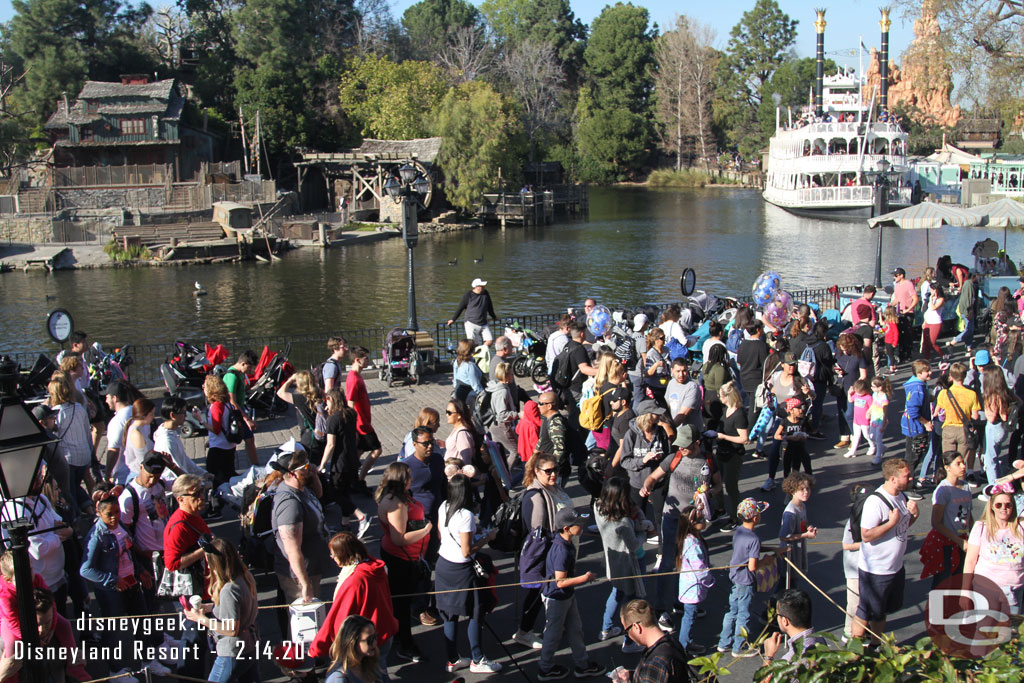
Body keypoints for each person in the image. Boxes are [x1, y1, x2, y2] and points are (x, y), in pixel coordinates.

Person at [80, 482, 164, 676]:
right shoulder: (96, 536)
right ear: (99, 513)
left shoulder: (122, 527)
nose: (114, 517)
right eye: (109, 514)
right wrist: (112, 580)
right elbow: (85, 570)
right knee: (113, 632)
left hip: (132, 585)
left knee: (142, 623)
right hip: (112, 592)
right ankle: (115, 672)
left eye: (117, 512)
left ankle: (148, 661)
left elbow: (128, 551)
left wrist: (140, 570)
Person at [639, 424, 722, 619]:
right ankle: (660, 607)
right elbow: (652, 477)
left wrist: (709, 492)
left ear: (697, 443)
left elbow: (719, 485)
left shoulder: (709, 460)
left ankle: (683, 601)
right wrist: (647, 487)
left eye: (685, 446)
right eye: (680, 446)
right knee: (667, 561)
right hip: (671, 516)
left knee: (690, 562)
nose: (682, 449)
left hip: (693, 522)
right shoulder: (673, 458)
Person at [435, 473, 501, 674]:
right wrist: (487, 538)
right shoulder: (465, 515)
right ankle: (477, 658)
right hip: (462, 569)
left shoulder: (443, 506)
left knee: (449, 613)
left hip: (443, 564)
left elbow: (440, 534)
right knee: (475, 612)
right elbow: (467, 550)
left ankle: (453, 658)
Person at [851, 458, 920, 643]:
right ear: (893, 479)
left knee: (881, 612)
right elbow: (866, 535)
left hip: (894, 566)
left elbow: (902, 527)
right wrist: (891, 523)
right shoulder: (876, 502)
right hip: (876, 570)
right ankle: (854, 648)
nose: (911, 478)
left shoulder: (901, 497)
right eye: (907, 476)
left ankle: (875, 644)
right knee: (865, 610)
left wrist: (914, 515)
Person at [536, 507, 605, 681]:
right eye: (577, 524)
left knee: (575, 629)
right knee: (553, 633)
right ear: (566, 528)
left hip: (566, 595)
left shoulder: (564, 542)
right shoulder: (562, 550)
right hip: (557, 597)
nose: (582, 525)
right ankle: (545, 668)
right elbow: (560, 581)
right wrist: (584, 578)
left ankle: (582, 664)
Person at [374, 462, 432, 662]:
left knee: (400, 601)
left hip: (402, 555)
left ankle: (400, 635)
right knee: (401, 603)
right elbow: (399, 539)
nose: (412, 479)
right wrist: (425, 530)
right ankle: (405, 644)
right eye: (408, 476)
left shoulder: (394, 497)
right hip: (401, 558)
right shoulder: (397, 504)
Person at [309, 532, 398, 662]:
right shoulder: (373, 567)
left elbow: (341, 616)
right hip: (383, 630)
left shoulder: (354, 580)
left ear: (342, 554)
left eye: (333, 554)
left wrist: (317, 647)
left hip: (363, 640)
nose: (332, 558)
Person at [515, 452, 571, 649]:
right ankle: (524, 631)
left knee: (549, 592)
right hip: (544, 553)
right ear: (536, 471)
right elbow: (537, 531)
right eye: (548, 471)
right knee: (537, 594)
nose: (553, 474)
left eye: (555, 469)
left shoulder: (552, 489)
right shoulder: (537, 496)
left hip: (555, 550)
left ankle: (556, 624)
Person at [184, 537, 260, 683]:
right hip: (249, 646)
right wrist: (211, 607)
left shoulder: (229, 590)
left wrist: (201, 619)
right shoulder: (245, 576)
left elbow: (232, 630)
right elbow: (239, 608)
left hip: (232, 652)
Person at [593, 476, 652, 654]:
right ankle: (630, 640)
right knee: (632, 601)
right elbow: (634, 544)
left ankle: (606, 627)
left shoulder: (598, 508)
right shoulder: (624, 522)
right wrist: (644, 531)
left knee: (616, 592)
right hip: (631, 561)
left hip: (613, 561)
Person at [163, 474, 212, 677]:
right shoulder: (179, 526)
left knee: (200, 639)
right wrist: (204, 551)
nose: (201, 498)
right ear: (180, 499)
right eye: (196, 494)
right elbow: (171, 563)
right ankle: (190, 677)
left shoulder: (194, 515)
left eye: (202, 492)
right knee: (193, 638)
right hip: (191, 592)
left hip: (203, 588)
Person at [270, 450, 329, 605]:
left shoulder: (302, 488)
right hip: (298, 576)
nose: (309, 469)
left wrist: (314, 475)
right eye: (305, 467)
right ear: (292, 474)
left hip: (311, 568)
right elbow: (292, 549)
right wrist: (305, 584)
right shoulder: (290, 504)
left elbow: (319, 494)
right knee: (306, 622)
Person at [717, 498, 772, 657]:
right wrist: (766, 560)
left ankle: (723, 642)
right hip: (745, 580)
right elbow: (753, 566)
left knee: (731, 611)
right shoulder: (754, 539)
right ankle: (738, 647)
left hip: (734, 576)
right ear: (755, 518)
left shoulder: (740, 531)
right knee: (743, 614)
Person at [963, 487, 1024, 613]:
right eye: (999, 504)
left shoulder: (1021, 527)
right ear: (992, 506)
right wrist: (965, 592)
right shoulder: (981, 527)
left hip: (1014, 592)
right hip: (986, 590)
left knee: (1010, 632)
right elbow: (970, 561)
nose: (1003, 508)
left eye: (1008, 504)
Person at [321, 389, 370, 537]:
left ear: (331, 399)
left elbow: (331, 445)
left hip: (340, 463)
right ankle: (345, 523)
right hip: (352, 460)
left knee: (335, 493)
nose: (325, 406)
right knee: (345, 492)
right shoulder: (350, 413)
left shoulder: (332, 419)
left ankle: (361, 516)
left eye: (326, 402)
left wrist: (322, 464)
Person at [920, 451, 972, 588]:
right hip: (946, 543)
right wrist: (959, 541)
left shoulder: (965, 486)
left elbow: (968, 513)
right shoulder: (943, 490)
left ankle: (954, 607)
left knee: (960, 580)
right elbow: (936, 523)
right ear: (947, 467)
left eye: (963, 463)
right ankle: (936, 609)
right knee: (942, 581)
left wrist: (971, 536)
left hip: (963, 540)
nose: (963, 467)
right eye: (958, 464)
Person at [616, 599, 693, 683]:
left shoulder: (654, 666)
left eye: (626, 631)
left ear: (636, 627)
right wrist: (633, 676)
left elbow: (653, 676)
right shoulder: (672, 642)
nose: (628, 635)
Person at [48, 376, 91, 518]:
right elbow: (87, 432)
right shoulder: (79, 408)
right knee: (76, 486)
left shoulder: (56, 413)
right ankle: (88, 508)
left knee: (69, 490)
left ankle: (76, 518)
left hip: (69, 457)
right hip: (84, 454)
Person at [674, 505, 711, 655]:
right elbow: (700, 570)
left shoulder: (687, 538)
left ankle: (686, 642)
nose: (704, 520)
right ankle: (684, 645)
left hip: (688, 586)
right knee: (689, 617)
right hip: (692, 589)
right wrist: (710, 580)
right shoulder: (693, 544)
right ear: (691, 524)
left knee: (690, 615)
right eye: (700, 519)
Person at [346, 347, 383, 487]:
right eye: (366, 358)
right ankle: (360, 478)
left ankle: (351, 476)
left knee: (359, 450)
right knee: (377, 449)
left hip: (363, 421)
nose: (368, 361)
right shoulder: (354, 378)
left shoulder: (357, 375)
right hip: (361, 424)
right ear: (357, 360)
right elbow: (350, 404)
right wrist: (353, 427)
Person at [935, 362, 981, 475]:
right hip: (963, 430)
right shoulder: (971, 394)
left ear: (950, 375)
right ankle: (960, 483)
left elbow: (936, 412)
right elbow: (975, 416)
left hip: (948, 428)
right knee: (961, 461)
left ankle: (949, 483)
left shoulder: (944, 393)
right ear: (964, 376)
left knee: (948, 460)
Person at [714, 381, 748, 531]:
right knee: (717, 481)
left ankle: (735, 517)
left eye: (721, 395)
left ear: (728, 396)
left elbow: (743, 438)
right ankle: (721, 508)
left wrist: (724, 436)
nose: (719, 397)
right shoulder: (726, 410)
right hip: (722, 452)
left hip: (733, 455)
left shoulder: (739, 414)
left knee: (731, 486)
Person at [154, 396, 212, 480]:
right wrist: (199, 484)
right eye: (183, 412)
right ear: (172, 415)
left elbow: (185, 460)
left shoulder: (172, 433)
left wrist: (204, 474)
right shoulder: (166, 441)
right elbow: (177, 469)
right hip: (175, 486)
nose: (185, 416)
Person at [761, 589, 822, 665]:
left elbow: (763, 677)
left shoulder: (789, 661)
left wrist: (768, 656)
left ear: (785, 621)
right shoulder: (819, 639)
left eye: (777, 615)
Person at [778, 473, 818, 588]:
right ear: (792, 491)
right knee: (787, 584)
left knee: (791, 582)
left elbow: (801, 526)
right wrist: (805, 535)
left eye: (808, 488)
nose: (806, 492)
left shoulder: (802, 506)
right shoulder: (791, 513)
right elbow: (783, 536)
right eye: (802, 489)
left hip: (797, 550)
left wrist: (807, 529)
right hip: (789, 553)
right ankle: (775, 604)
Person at [276, 370, 326, 460]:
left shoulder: (300, 398)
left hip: (309, 439)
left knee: (311, 465)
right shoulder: (319, 394)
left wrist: (290, 379)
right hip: (320, 435)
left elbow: (280, 393)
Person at [222, 350, 260, 467]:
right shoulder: (232, 376)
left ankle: (254, 464)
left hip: (238, 410)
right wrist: (246, 419)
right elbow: (232, 401)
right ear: (243, 363)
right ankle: (256, 466)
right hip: (235, 412)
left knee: (247, 439)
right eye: (249, 368)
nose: (250, 371)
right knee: (247, 439)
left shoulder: (238, 373)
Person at [326, 615, 390, 683]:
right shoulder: (338, 678)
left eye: (375, 637)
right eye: (369, 640)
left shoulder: (371, 664)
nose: (375, 643)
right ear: (352, 642)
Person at [983, 365, 1017, 487]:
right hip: (1003, 428)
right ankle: (1001, 482)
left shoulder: (992, 396)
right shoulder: (1006, 392)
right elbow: (1019, 402)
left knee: (990, 460)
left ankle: (994, 487)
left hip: (994, 428)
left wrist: (986, 409)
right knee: (996, 457)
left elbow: (991, 418)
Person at [204, 374, 238, 493]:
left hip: (219, 447)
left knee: (210, 475)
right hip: (229, 445)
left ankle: (216, 499)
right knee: (229, 474)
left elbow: (216, 428)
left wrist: (201, 421)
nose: (204, 388)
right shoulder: (227, 403)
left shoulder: (216, 406)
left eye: (205, 387)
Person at [834, 333, 869, 450]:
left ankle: (855, 437)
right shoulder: (839, 354)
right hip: (841, 386)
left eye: (846, 349)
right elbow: (833, 366)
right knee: (842, 412)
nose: (844, 352)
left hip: (853, 389)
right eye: (842, 349)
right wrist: (837, 371)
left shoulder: (859, 356)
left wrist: (856, 387)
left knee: (850, 414)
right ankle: (844, 437)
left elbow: (863, 375)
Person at [901, 360, 934, 476]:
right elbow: (913, 411)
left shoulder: (918, 384)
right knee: (913, 457)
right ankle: (907, 484)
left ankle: (908, 481)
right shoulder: (917, 389)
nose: (931, 372)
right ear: (919, 374)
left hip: (911, 425)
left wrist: (929, 398)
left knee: (912, 455)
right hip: (915, 427)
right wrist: (926, 423)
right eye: (927, 371)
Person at [484, 362, 519, 467]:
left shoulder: (495, 387)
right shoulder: (502, 391)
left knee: (499, 452)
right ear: (506, 375)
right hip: (501, 425)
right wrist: (517, 414)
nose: (513, 376)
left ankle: (498, 476)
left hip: (493, 424)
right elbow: (502, 414)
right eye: (511, 374)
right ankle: (504, 477)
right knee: (515, 451)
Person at [447, 278, 498, 347]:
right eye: (482, 286)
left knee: (490, 340)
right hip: (471, 323)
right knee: (473, 344)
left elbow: (490, 307)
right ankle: (475, 356)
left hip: (483, 323)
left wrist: (494, 317)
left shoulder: (486, 293)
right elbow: (460, 308)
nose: (483, 287)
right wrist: (453, 319)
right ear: (476, 287)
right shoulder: (468, 295)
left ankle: (480, 352)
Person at [103, 379, 136, 483]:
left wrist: (107, 474)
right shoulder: (137, 412)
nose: (106, 401)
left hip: (125, 475)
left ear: (115, 398)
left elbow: (113, 451)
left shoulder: (117, 421)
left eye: (107, 397)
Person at [534, 392, 572, 478]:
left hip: (554, 472)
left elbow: (559, 448)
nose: (538, 406)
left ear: (549, 406)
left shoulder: (555, 422)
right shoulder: (546, 418)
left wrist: (551, 469)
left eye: (540, 403)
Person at [774, 397, 812, 479]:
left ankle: (797, 483)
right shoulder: (785, 421)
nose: (801, 410)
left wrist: (804, 436)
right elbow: (776, 435)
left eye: (801, 408)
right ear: (791, 410)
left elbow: (807, 432)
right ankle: (787, 485)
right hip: (787, 448)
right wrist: (788, 437)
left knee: (797, 467)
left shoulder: (803, 420)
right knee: (787, 468)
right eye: (798, 408)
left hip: (799, 447)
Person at [124, 397, 158, 480]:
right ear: (143, 415)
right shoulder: (136, 434)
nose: (153, 417)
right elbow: (143, 461)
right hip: (139, 476)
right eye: (151, 414)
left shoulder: (141, 429)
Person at [666, 358, 703, 433]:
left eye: (684, 371)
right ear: (672, 370)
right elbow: (667, 405)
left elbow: (683, 414)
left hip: (689, 433)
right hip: (676, 428)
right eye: (678, 371)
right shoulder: (671, 383)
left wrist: (669, 429)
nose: (681, 375)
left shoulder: (692, 387)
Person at [737, 322, 770, 405]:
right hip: (756, 381)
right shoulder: (762, 346)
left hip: (744, 379)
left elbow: (739, 361)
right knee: (754, 408)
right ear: (758, 330)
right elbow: (765, 365)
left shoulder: (743, 344)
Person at [892, 267, 919, 362]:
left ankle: (908, 354)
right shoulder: (896, 285)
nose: (894, 277)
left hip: (907, 313)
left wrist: (909, 310)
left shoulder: (908, 284)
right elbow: (896, 299)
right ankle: (901, 353)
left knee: (907, 333)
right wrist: (890, 306)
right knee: (899, 333)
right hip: (899, 312)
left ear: (901, 275)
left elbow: (915, 298)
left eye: (896, 275)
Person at [844, 380, 873, 459]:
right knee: (856, 435)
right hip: (856, 420)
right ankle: (852, 451)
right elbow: (850, 400)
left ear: (865, 390)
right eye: (857, 392)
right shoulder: (856, 395)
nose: (858, 394)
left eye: (860, 392)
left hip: (865, 421)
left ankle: (872, 446)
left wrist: (869, 414)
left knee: (867, 435)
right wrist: (849, 394)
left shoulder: (868, 398)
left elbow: (872, 407)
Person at [452, 339, 486, 404]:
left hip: (458, 393)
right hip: (468, 395)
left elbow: (455, 380)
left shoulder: (457, 361)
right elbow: (475, 386)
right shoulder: (470, 366)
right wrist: (485, 396)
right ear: (471, 351)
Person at [644, 328, 670, 407]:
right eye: (662, 338)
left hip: (666, 385)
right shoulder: (651, 354)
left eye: (664, 337)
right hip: (655, 387)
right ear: (656, 340)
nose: (664, 340)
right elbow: (647, 373)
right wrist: (656, 365)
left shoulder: (667, 350)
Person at [868, 376, 891, 466]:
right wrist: (869, 411)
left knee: (878, 438)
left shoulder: (884, 399)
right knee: (871, 436)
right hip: (874, 419)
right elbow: (873, 404)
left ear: (879, 387)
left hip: (881, 420)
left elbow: (885, 413)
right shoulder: (875, 395)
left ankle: (878, 455)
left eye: (873, 386)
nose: (871, 388)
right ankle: (882, 447)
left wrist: (883, 424)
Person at [951, 272, 977, 349]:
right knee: (968, 329)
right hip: (967, 310)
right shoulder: (969, 284)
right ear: (974, 276)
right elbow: (968, 299)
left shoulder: (967, 283)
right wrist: (968, 311)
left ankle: (969, 346)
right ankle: (954, 341)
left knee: (970, 329)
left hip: (965, 310)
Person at [922, 284, 946, 361]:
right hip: (928, 321)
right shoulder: (932, 299)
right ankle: (927, 359)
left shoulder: (941, 299)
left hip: (936, 322)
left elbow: (933, 308)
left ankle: (943, 355)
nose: (931, 291)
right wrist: (924, 321)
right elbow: (929, 311)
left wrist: (931, 299)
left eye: (932, 290)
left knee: (932, 342)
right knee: (926, 343)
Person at [881, 306, 899, 374]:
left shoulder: (892, 323)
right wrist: (881, 330)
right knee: (890, 354)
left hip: (890, 341)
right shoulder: (889, 322)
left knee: (890, 354)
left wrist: (895, 342)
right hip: (888, 340)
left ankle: (891, 368)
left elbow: (896, 333)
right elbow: (887, 329)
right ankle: (893, 365)